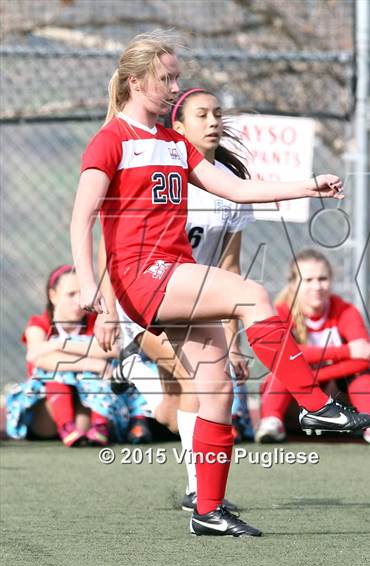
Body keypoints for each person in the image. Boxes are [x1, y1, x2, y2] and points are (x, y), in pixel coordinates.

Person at [70, 32, 370, 537]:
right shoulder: (111, 141)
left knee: (217, 392)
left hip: (173, 271)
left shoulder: (172, 143)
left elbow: (235, 188)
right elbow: (80, 219)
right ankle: (317, 406)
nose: (174, 87)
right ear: (134, 81)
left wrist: (308, 184)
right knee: (251, 294)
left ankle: (207, 511)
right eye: (165, 78)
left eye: (176, 77)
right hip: (141, 276)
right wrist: (91, 289)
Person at [95, 87, 255, 515]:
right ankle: (197, 492)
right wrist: (108, 311)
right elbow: (116, 245)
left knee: (172, 410)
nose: (214, 121)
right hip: (146, 303)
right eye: (202, 114)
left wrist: (235, 341)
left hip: (196, 306)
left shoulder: (228, 187)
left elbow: (230, 271)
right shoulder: (159, 172)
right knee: (198, 385)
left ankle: (134, 373)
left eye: (217, 113)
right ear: (178, 128)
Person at [256, 249, 370, 445]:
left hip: (336, 401)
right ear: (293, 284)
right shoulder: (281, 311)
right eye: (308, 280)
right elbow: (282, 355)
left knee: (361, 373)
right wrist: (346, 351)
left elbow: (364, 357)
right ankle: (271, 423)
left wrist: (314, 377)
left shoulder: (345, 311)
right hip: (298, 406)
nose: (317, 286)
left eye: (323, 279)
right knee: (283, 370)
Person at [6, 265, 116, 446]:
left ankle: (94, 427)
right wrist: (94, 364)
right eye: (71, 294)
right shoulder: (39, 323)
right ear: (53, 295)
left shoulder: (95, 321)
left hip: (83, 399)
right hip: (47, 404)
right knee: (57, 373)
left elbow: (111, 349)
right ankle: (66, 425)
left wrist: (59, 346)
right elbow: (37, 357)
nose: (79, 300)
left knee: (94, 382)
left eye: (83, 293)